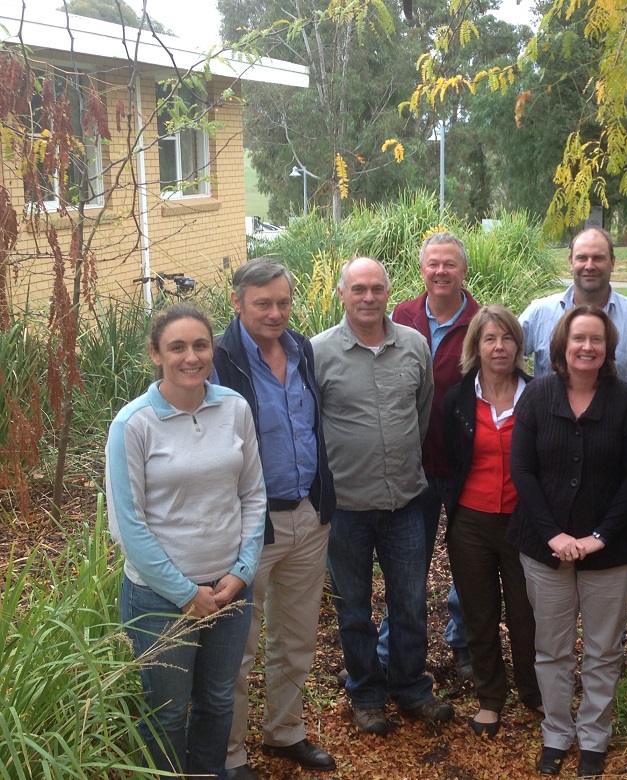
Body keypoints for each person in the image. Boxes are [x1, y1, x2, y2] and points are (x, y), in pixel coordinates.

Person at [106, 303, 266, 779]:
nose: (191, 357)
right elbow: (128, 526)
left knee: (218, 701)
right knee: (168, 712)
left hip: (229, 589)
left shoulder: (234, 408)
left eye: (200, 345)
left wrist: (241, 573)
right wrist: (185, 593)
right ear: (156, 354)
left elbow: (254, 494)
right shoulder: (133, 424)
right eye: (177, 347)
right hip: (160, 598)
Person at [312, 257, 453, 738]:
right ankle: (367, 693)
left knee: (410, 603)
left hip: (405, 504)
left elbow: (420, 411)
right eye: (358, 289)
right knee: (353, 608)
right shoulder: (318, 354)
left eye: (376, 288)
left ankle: (411, 687)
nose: (368, 297)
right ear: (342, 294)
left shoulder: (414, 346)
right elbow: (312, 425)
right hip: (346, 507)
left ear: (389, 292)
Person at [509, 305, 627, 778]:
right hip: (543, 547)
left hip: (611, 550)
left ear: (608, 349)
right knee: (550, 650)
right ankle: (556, 732)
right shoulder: (536, 397)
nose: (587, 347)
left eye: (596, 340)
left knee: (603, 650)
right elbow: (523, 472)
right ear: (562, 346)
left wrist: (598, 537)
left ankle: (594, 736)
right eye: (578, 339)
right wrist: (554, 534)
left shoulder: (626, 402)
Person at [212, 258, 336, 779]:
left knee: (297, 636)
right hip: (249, 526)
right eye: (263, 303)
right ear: (237, 303)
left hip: (307, 515)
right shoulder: (217, 359)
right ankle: (230, 753)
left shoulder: (301, 349)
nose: (275, 312)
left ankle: (286, 732)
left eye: (283, 302)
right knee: (237, 648)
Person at [442, 306, 540, 738]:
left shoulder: (538, 395)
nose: (499, 347)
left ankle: (534, 693)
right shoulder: (458, 399)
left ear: (518, 345)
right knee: (479, 614)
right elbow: (452, 460)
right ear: (476, 347)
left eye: (507, 338)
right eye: (489, 339)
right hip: (472, 524)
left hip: (525, 523)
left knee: (527, 612)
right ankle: (490, 698)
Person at [390, 232, 480, 680]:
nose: (441, 271)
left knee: (468, 562)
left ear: (464, 270)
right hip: (415, 465)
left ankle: (462, 642)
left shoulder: (480, 322)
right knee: (409, 563)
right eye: (433, 264)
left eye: (450, 264)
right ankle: (399, 651)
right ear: (422, 269)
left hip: (467, 465)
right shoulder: (401, 316)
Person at [519, 227, 627, 385]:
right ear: (571, 262)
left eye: (598, 258)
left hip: (615, 410)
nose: (589, 266)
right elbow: (501, 359)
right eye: (582, 258)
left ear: (612, 262)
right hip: (548, 409)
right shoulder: (538, 313)